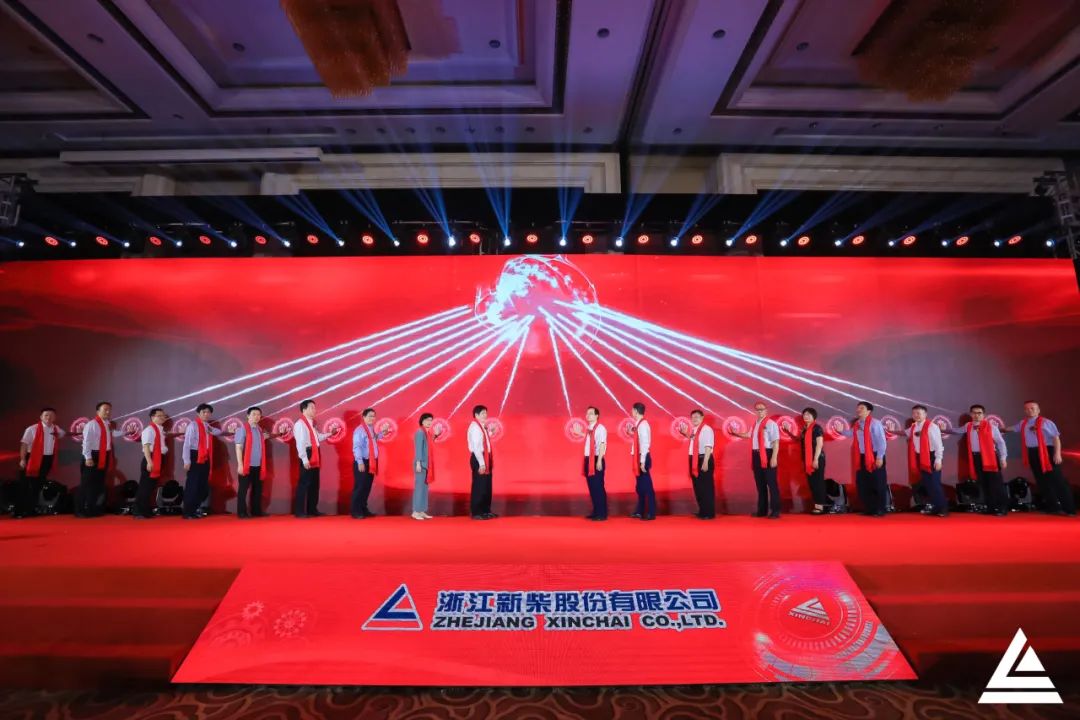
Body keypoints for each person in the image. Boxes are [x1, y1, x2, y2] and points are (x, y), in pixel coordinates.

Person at [1007, 402, 1075, 516]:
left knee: (1057, 481)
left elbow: (1056, 438)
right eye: (1027, 409)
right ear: (1024, 411)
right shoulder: (1023, 423)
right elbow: (1011, 429)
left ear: (1038, 410)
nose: (1030, 410)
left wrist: (1057, 454)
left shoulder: (1046, 422)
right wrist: (998, 429)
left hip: (1047, 452)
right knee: (1042, 481)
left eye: (1032, 408)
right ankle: (1053, 507)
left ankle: (1069, 509)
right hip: (1033, 453)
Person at [944, 404, 1008, 516]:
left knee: (995, 483)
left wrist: (1003, 458)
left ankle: (1001, 508)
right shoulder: (968, 426)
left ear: (984, 415)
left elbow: (1001, 443)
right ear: (971, 414)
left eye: (979, 413)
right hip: (976, 457)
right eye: (974, 413)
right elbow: (956, 431)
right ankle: (990, 507)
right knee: (983, 483)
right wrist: (942, 429)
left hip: (990, 457)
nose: (976, 415)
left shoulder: (991, 427)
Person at [896, 405, 947, 517]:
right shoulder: (914, 427)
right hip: (921, 458)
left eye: (919, 413)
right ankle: (935, 507)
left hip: (931, 457)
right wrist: (890, 431)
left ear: (925, 414)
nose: (916, 415)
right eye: (914, 413)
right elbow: (904, 433)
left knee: (935, 484)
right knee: (928, 484)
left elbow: (939, 445)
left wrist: (938, 460)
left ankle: (943, 508)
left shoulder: (932, 426)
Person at [731, 402, 780, 519]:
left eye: (762, 409)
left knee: (771, 484)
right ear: (755, 411)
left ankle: (775, 510)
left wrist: (774, 457)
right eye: (757, 410)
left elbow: (776, 442)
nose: (760, 411)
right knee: (760, 484)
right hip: (756, 455)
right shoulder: (755, 424)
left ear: (766, 410)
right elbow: (748, 435)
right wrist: (736, 433)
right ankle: (762, 510)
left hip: (767, 454)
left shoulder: (771, 423)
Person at [78, 401, 127, 517]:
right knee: (87, 484)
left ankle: (93, 509)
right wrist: (88, 458)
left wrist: (126, 432)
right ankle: (80, 510)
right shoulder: (92, 424)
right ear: (97, 411)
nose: (108, 412)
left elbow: (112, 434)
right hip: (92, 456)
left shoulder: (107, 424)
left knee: (98, 484)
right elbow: (86, 442)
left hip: (104, 455)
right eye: (105, 409)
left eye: (109, 410)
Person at [181, 403, 229, 520]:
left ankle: (195, 509)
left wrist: (230, 432)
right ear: (198, 413)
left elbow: (217, 432)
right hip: (194, 456)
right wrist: (186, 460)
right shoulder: (193, 426)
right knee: (193, 485)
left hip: (205, 457)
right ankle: (188, 512)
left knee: (202, 485)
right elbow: (186, 444)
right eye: (204, 412)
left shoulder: (207, 426)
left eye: (208, 412)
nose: (206, 414)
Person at [15, 408, 66, 518]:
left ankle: (31, 509)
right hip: (32, 459)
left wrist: (80, 430)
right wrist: (23, 459)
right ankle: (19, 511)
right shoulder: (32, 429)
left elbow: (64, 434)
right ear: (41, 417)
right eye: (46, 415)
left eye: (51, 415)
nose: (49, 417)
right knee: (26, 485)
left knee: (37, 486)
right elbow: (24, 444)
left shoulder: (56, 429)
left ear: (55, 418)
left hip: (46, 460)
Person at [783, 407, 828, 514]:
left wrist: (815, 459)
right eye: (804, 415)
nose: (806, 416)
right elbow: (798, 440)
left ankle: (820, 507)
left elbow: (819, 444)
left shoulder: (817, 428)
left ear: (814, 416)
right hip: (807, 459)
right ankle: (817, 505)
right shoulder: (805, 429)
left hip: (817, 458)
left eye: (808, 414)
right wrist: (788, 432)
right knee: (812, 483)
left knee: (818, 482)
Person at [233, 406, 276, 518]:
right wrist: (240, 465)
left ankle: (256, 511)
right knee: (243, 490)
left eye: (258, 415)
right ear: (248, 416)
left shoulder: (259, 430)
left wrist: (279, 433)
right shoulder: (242, 429)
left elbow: (265, 438)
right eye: (254, 414)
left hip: (258, 465)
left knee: (257, 490)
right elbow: (238, 447)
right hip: (246, 465)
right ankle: (242, 512)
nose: (257, 417)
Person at [849, 401, 888, 517]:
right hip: (862, 456)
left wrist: (880, 457)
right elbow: (851, 434)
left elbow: (882, 442)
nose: (858, 410)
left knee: (878, 483)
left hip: (875, 456)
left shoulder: (875, 423)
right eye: (858, 408)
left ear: (869, 411)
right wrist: (840, 430)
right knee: (863, 483)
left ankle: (880, 509)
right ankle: (870, 508)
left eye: (861, 408)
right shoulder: (857, 424)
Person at [294, 399, 331, 518]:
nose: (314, 410)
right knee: (304, 483)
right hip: (308, 453)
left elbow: (317, 438)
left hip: (315, 452)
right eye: (312, 407)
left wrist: (330, 434)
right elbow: (300, 443)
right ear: (304, 409)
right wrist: (304, 459)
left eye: (315, 407)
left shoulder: (311, 423)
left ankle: (312, 509)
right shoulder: (300, 424)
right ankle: (300, 511)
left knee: (314, 483)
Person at [679, 409, 715, 519]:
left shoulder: (706, 429)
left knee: (706, 487)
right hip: (694, 459)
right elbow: (693, 440)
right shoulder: (695, 429)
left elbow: (708, 446)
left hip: (703, 458)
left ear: (702, 417)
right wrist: (685, 434)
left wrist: (705, 462)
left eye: (697, 417)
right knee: (698, 487)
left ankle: (708, 513)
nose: (694, 419)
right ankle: (702, 511)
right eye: (693, 417)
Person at [134, 408, 169, 519]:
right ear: (152, 417)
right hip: (151, 458)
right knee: (145, 486)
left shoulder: (160, 430)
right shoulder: (149, 430)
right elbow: (146, 447)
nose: (162, 417)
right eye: (159, 416)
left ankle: (146, 510)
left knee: (150, 487)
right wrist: (149, 462)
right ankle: (138, 511)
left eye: (163, 416)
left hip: (159, 458)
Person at [351, 408, 386, 519]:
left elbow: (374, 439)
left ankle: (363, 508)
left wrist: (382, 433)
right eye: (370, 416)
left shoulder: (370, 429)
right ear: (364, 417)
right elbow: (357, 447)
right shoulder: (359, 430)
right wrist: (360, 462)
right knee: (360, 487)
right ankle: (356, 511)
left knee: (367, 487)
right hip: (362, 461)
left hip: (371, 461)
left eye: (374, 416)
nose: (372, 418)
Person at [467, 405, 496, 520]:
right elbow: (477, 447)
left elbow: (484, 440)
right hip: (479, 458)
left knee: (486, 485)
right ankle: (477, 512)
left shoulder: (482, 426)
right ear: (476, 415)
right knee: (479, 485)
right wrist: (482, 464)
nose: (485, 415)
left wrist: (491, 432)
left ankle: (485, 510)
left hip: (486, 457)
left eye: (486, 413)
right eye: (483, 413)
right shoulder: (475, 427)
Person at [629, 402, 655, 521]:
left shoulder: (643, 425)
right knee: (640, 487)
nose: (631, 412)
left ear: (635, 411)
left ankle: (651, 512)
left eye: (632, 410)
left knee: (646, 486)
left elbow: (645, 443)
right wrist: (631, 434)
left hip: (642, 457)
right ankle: (640, 511)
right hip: (638, 456)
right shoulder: (638, 424)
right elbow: (638, 440)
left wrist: (642, 461)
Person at [582, 406, 608, 521]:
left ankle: (602, 513)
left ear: (597, 415)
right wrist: (579, 433)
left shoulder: (600, 428)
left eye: (591, 413)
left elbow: (602, 444)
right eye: (587, 413)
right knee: (592, 487)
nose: (588, 415)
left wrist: (599, 460)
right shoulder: (589, 428)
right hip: (589, 459)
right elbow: (589, 440)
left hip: (597, 458)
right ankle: (596, 511)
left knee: (598, 487)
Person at [412, 413, 439, 520]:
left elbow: (428, 444)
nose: (429, 422)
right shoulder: (420, 432)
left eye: (431, 420)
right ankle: (415, 511)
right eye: (427, 420)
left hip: (426, 464)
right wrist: (418, 463)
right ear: (422, 421)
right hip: (421, 464)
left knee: (424, 489)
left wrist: (436, 435)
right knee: (419, 488)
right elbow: (418, 448)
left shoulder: (427, 433)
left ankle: (421, 510)